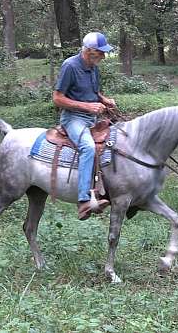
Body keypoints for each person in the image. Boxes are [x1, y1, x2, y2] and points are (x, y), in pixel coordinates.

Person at [52, 32, 116, 220]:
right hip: (73, 119)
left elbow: (94, 92)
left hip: (92, 119)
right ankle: (83, 201)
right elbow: (57, 98)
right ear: (89, 51)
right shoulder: (70, 66)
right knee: (88, 147)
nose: (104, 56)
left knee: (116, 140)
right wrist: (87, 106)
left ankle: (107, 189)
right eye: (101, 52)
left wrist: (105, 100)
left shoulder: (94, 67)